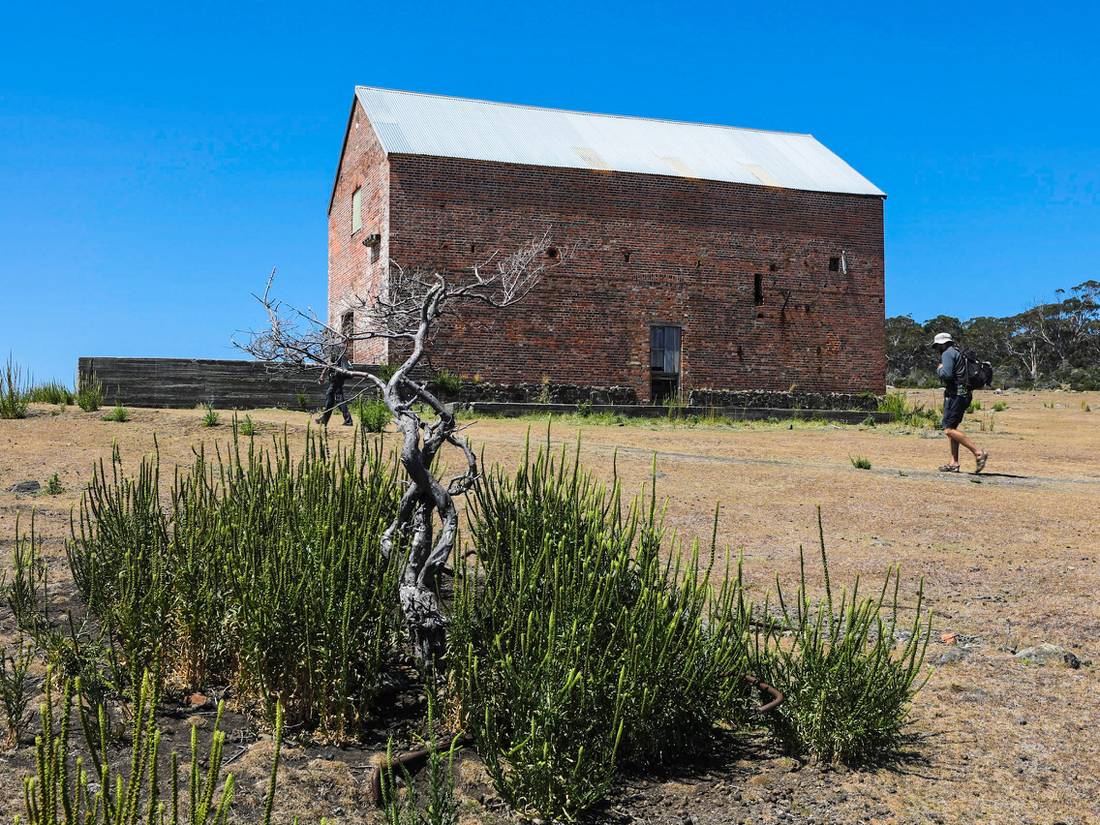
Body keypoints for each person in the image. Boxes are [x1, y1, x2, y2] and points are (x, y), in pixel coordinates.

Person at [932, 332, 988, 473]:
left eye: (937, 346)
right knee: (953, 428)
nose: (936, 349)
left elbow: (947, 374)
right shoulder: (957, 352)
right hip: (963, 394)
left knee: (948, 429)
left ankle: (978, 453)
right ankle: (954, 463)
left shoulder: (948, 353)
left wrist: (939, 369)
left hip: (956, 394)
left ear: (943, 344)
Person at [316, 341, 353, 427]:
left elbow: (329, 365)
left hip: (336, 378)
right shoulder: (340, 354)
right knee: (338, 399)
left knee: (330, 396)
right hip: (339, 378)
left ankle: (325, 419)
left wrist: (322, 376)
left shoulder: (334, 352)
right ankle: (347, 420)